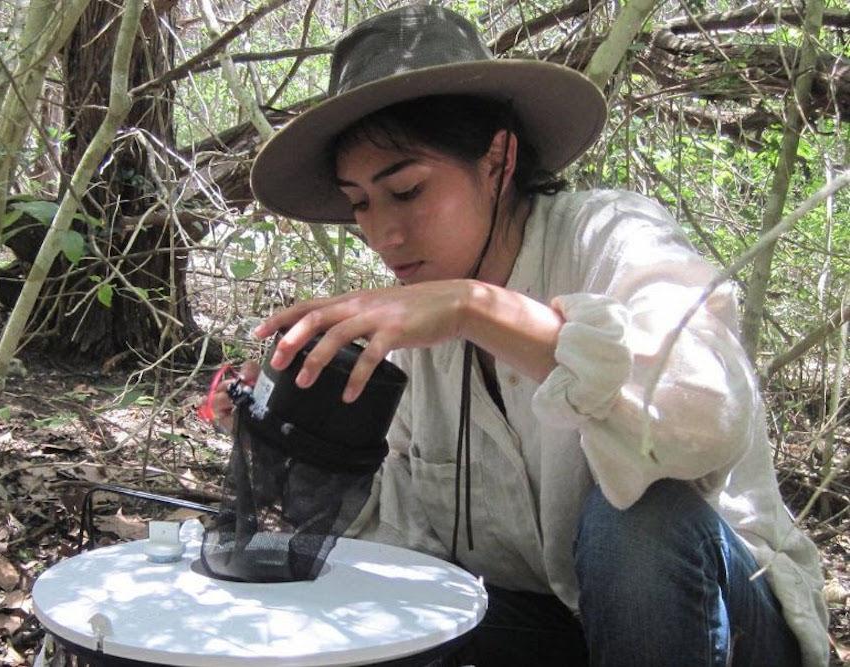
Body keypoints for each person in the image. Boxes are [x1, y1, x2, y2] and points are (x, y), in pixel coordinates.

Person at [211, 6, 828, 666]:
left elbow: (706, 409)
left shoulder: (612, 237)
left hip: (729, 622)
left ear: (498, 159)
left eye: (408, 190)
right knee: (403, 620)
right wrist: (305, 435)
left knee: (638, 522)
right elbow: (398, 548)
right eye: (361, 203)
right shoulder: (408, 338)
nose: (382, 233)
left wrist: (476, 310)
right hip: (556, 629)